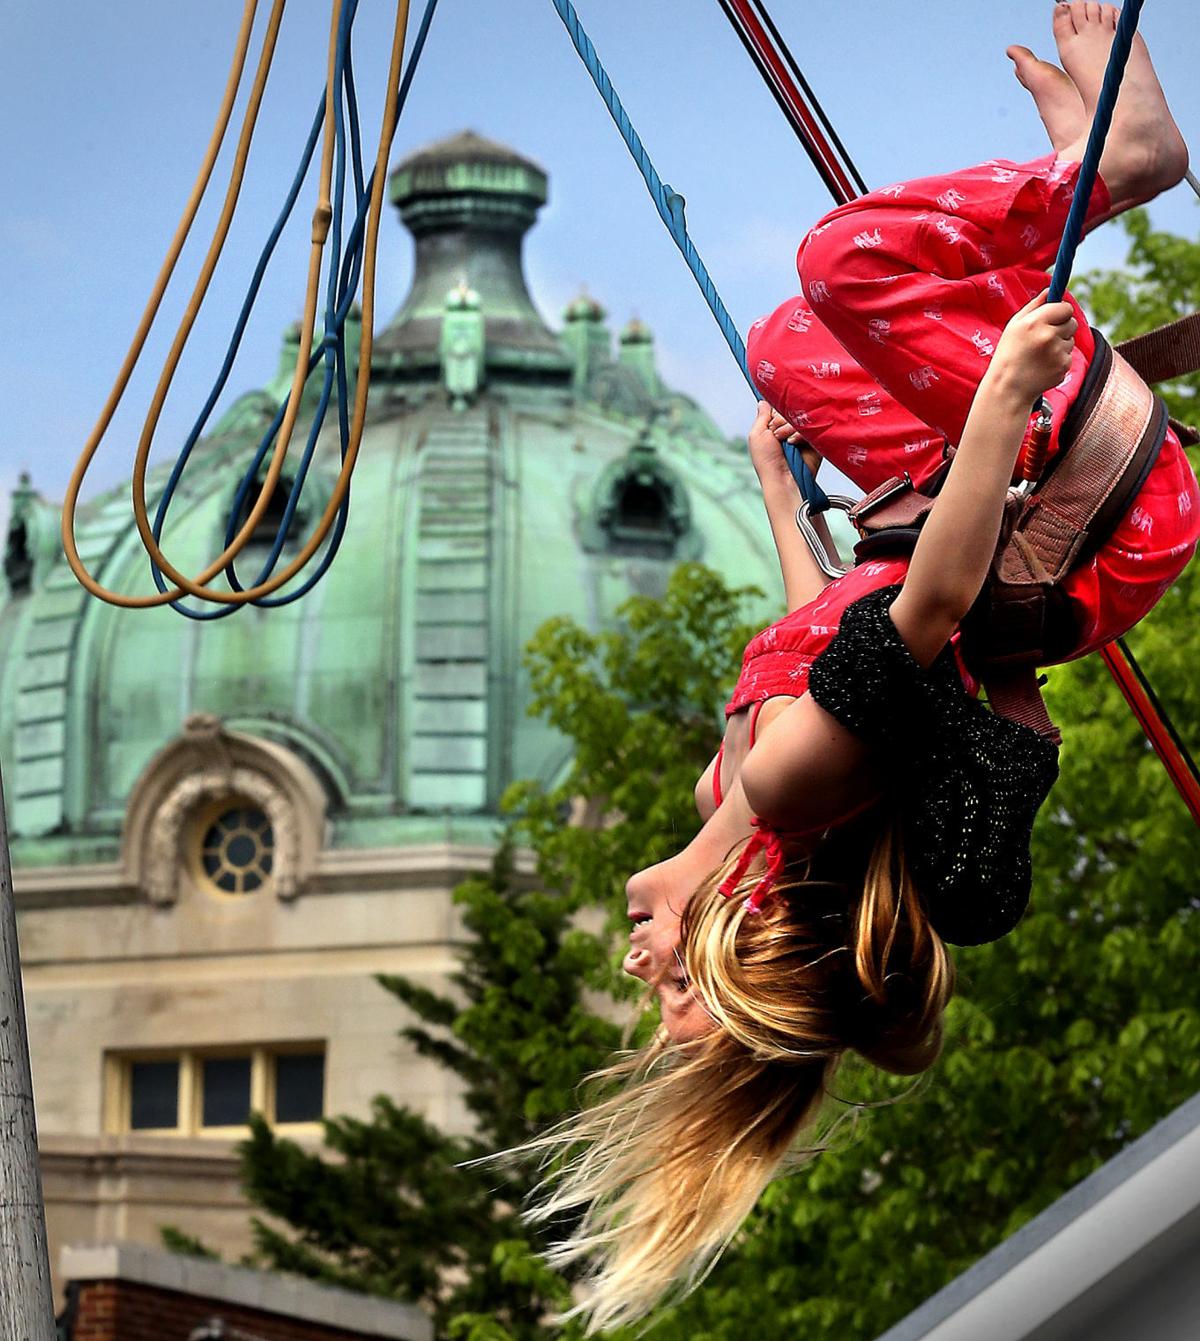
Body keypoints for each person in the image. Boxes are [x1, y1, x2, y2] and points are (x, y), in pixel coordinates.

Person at [527, 6, 1199, 1331]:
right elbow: (930, 604)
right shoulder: (787, 787)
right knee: (845, 263)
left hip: (1025, 507)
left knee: (788, 345)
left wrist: (779, 492)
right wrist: (1001, 400)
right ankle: (1122, 166)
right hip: (1096, 520)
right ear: (749, 926)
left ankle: (1073, 180)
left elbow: (819, 624)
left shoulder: (770, 782)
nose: (636, 950)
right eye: (665, 975)